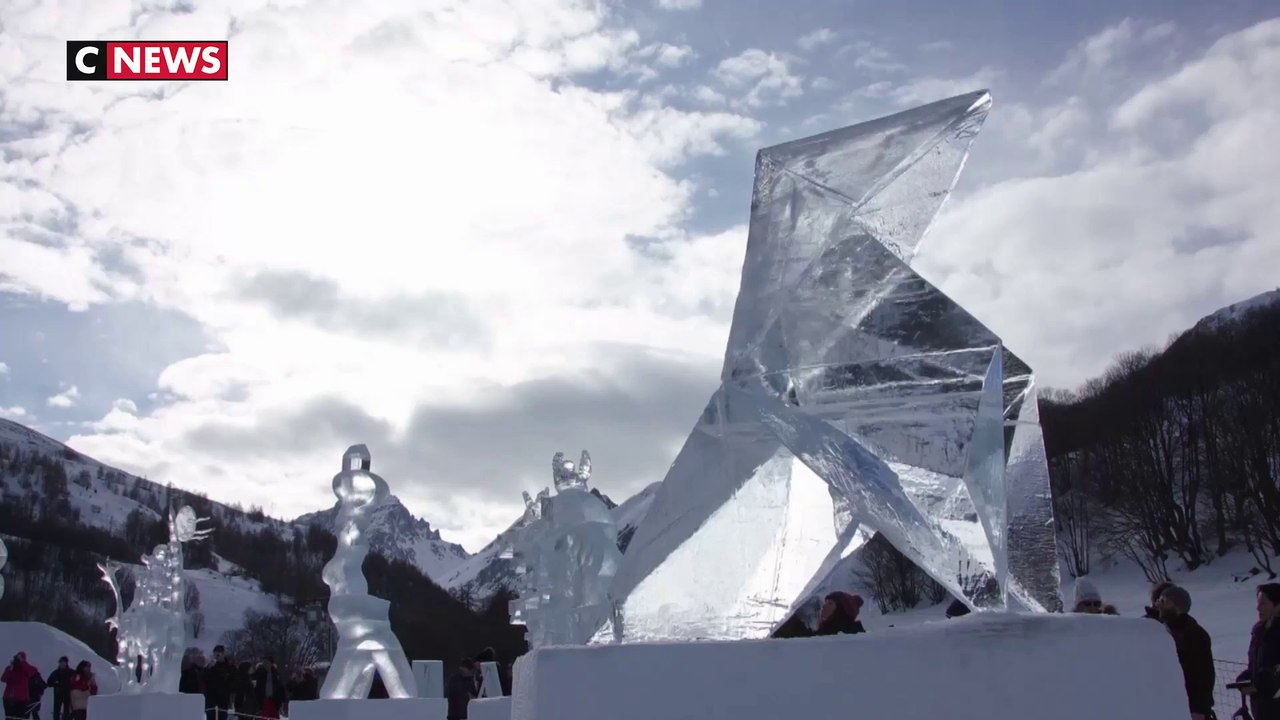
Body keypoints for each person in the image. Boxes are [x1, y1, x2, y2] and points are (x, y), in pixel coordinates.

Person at [1157, 584, 1215, 720]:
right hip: (1168, 702)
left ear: (1177, 606)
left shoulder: (1194, 634)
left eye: (1164, 601)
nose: (1158, 605)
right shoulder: (1161, 630)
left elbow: (1203, 675)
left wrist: (1199, 708)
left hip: (1190, 707)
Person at [1239, 583, 1280, 720]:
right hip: (1262, 707)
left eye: (1264, 603)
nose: (1258, 608)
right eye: (1258, 603)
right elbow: (1258, 667)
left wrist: (1259, 686)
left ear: (1278, 605)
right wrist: (1246, 678)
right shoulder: (1259, 633)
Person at [202, 646, 235, 720]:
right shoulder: (211, 667)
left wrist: (228, 690)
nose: (216, 657)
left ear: (223, 654)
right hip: (211, 700)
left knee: (222, 717)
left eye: (218, 655)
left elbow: (233, 682)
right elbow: (203, 679)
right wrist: (207, 669)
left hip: (223, 700)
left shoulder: (229, 667)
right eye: (214, 655)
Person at [3, 653, 39, 720]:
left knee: (20, 718)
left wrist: (22, 662)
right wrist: (9, 670)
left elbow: (32, 671)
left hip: (21, 700)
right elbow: (3, 679)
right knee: (9, 718)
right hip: (9, 699)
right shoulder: (10, 668)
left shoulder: (25, 670)